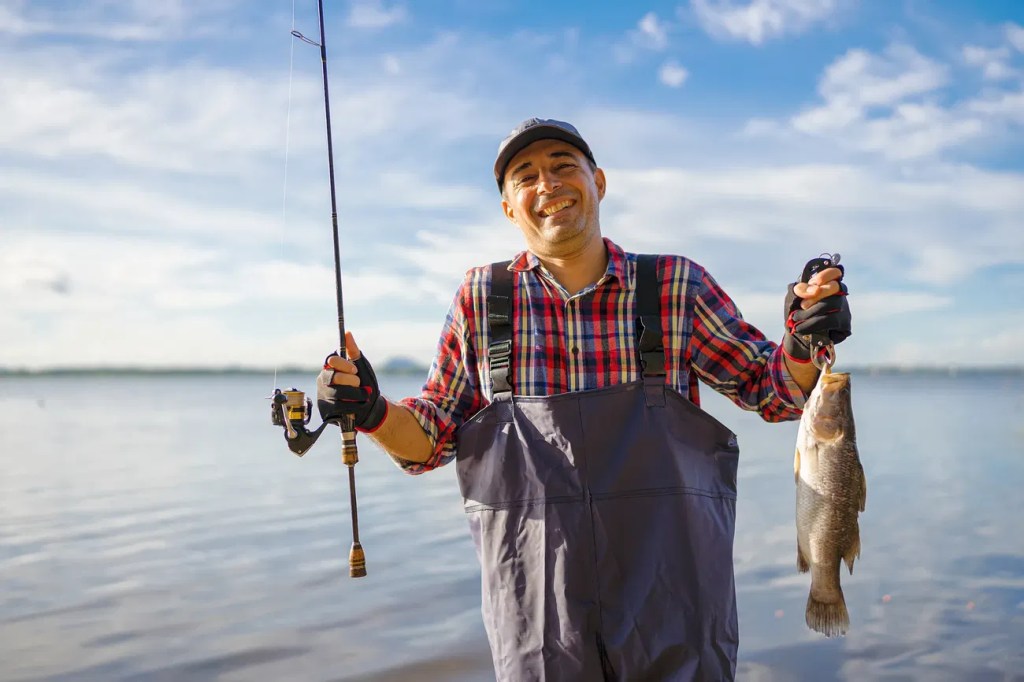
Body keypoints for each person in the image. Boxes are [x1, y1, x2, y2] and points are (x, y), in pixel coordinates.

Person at [316, 118, 851, 681]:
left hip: (678, 606)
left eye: (563, 167)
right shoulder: (481, 299)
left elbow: (774, 389)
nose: (547, 184)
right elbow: (430, 439)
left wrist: (802, 338)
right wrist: (372, 412)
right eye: (526, 176)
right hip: (537, 618)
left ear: (598, 181)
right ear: (508, 207)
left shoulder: (674, 285)